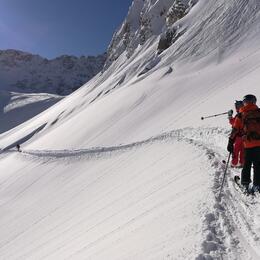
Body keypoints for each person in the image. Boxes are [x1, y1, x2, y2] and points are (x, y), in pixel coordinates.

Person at [227, 94, 260, 193]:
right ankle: (257, 185)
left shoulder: (241, 115)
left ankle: (245, 184)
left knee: (246, 165)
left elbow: (235, 130)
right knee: (258, 165)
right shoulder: (259, 112)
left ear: (245, 102)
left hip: (248, 145)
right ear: (254, 102)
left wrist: (230, 142)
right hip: (259, 145)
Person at [227, 101, 244, 168]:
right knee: (243, 150)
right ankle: (242, 163)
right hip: (245, 137)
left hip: (237, 137)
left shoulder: (238, 115)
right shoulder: (246, 114)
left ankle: (234, 163)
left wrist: (230, 116)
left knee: (236, 150)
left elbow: (233, 123)